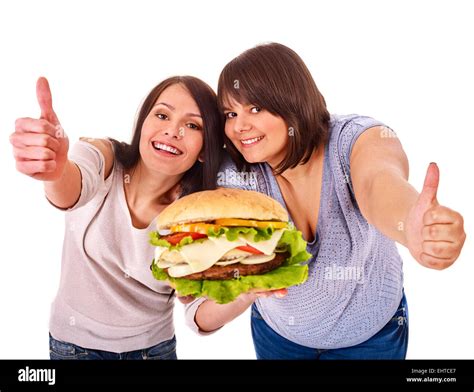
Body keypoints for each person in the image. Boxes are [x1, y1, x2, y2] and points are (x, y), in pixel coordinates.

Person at [185, 43, 466, 359]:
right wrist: (232, 286)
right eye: (231, 113)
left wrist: (409, 223)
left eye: (255, 109)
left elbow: (377, 183)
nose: (239, 126)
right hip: (278, 337)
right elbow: (198, 307)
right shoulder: (236, 173)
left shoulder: (355, 139)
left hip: (370, 340)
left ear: (291, 100)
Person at [10, 76, 224, 359]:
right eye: (162, 115)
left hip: (153, 351)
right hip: (71, 348)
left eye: (192, 125)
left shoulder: (198, 214)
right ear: (143, 123)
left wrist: (252, 290)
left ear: (204, 150)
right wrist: (56, 171)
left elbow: (200, 312)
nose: (173, 131)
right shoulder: (105, 157)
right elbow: (72, 191)